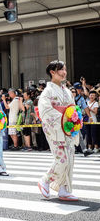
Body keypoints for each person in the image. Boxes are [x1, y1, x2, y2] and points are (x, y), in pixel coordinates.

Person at [38, 60, 78, 201]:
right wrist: (65, 117)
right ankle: (45, 180)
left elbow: (73, 108)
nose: (64, 72)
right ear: (52, 72)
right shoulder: (47, 92)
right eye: (61, 70)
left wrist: (75, 119)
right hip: (55, 128)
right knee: (62, 160)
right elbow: (45, 111)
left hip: (67, 129)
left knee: (70, 159)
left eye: (65, 69)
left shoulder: (67, 91)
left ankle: (64, 189)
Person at [73, 82, 92, 156]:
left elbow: (85, 107)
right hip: (69, 118)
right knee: (73, 134)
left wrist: (90, 116)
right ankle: (80, 149)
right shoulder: (68, 97)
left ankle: (82, 149)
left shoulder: (81, 98)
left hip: (78, 118)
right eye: (78, 89)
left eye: (80, 89)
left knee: (81, 133)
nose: (79, 90)